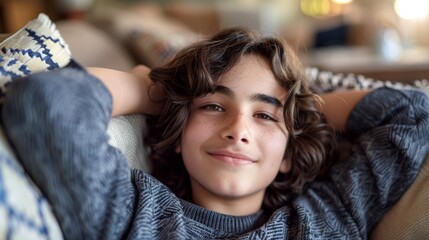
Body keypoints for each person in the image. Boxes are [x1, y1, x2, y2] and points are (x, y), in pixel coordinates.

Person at [1, 27, 428, 239]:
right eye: (213, 106)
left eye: (265, 116)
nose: (237, 129)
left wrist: (303, 108)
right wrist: (155, 92)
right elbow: (45, 101)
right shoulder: (135, 214)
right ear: (179, 127)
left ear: (288, 152)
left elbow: (412, 114)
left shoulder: (327, 217)